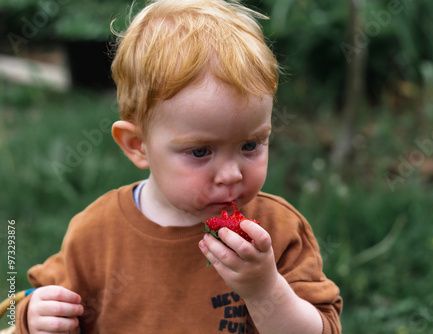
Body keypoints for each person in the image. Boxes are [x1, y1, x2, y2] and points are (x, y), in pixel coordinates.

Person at [16, 0, 342, 333]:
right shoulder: (96, 235)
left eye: (250, 145)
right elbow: (41, 298)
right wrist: (32, 316)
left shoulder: (276, 231)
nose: (231, 174)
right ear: (137, 146)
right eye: (201, 152)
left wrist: (265, 290)